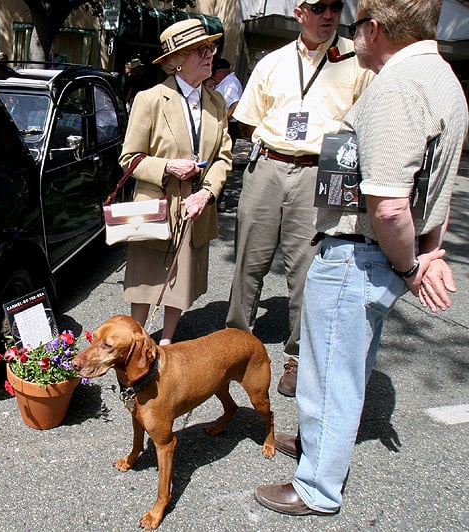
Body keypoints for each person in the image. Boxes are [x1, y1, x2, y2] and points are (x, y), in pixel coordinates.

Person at [254, 0, 468, 516]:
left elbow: (392, 205)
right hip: (374, 256)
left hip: (359, 254)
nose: (351, 38)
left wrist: (411, 266)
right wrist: (431, 249)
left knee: (332, 373)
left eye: (356, 28)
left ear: (374, 30)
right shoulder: (443, 79)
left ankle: (316, 489)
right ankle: (317, 447)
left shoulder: (397, 86)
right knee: (340, 366)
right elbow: (437, 187)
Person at [225, 0, 373, 397]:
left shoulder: (356, 63)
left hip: (320, 170)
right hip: (268, 165)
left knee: (309, 269)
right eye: (320, 7)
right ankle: (235, 345)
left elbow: (365, 126)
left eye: (336, 7)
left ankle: (297, 355)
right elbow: (249, 120)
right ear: (299, 12)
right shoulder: (272, 62)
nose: (329, 14)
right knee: (247, 262)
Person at [119, 18, 233, 345]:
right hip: (156, 208)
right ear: (177, 60)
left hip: (194, 210)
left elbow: (224, 157)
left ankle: (167, 342)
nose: (210, 53)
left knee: (179, 286)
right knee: (143, 284)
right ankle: (134, 344)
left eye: (210, 47)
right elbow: (130, 159)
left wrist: (207, 194)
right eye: (200, 50)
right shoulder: (151, 99)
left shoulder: (216, 102)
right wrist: (168, 167)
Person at [210, 58, 242, 143]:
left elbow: (235, 105)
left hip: (227, 125)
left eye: (214, 75)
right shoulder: (226, 82)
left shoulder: (229, 83)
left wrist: (223, 122)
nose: (213, 78)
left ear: (222, 73)